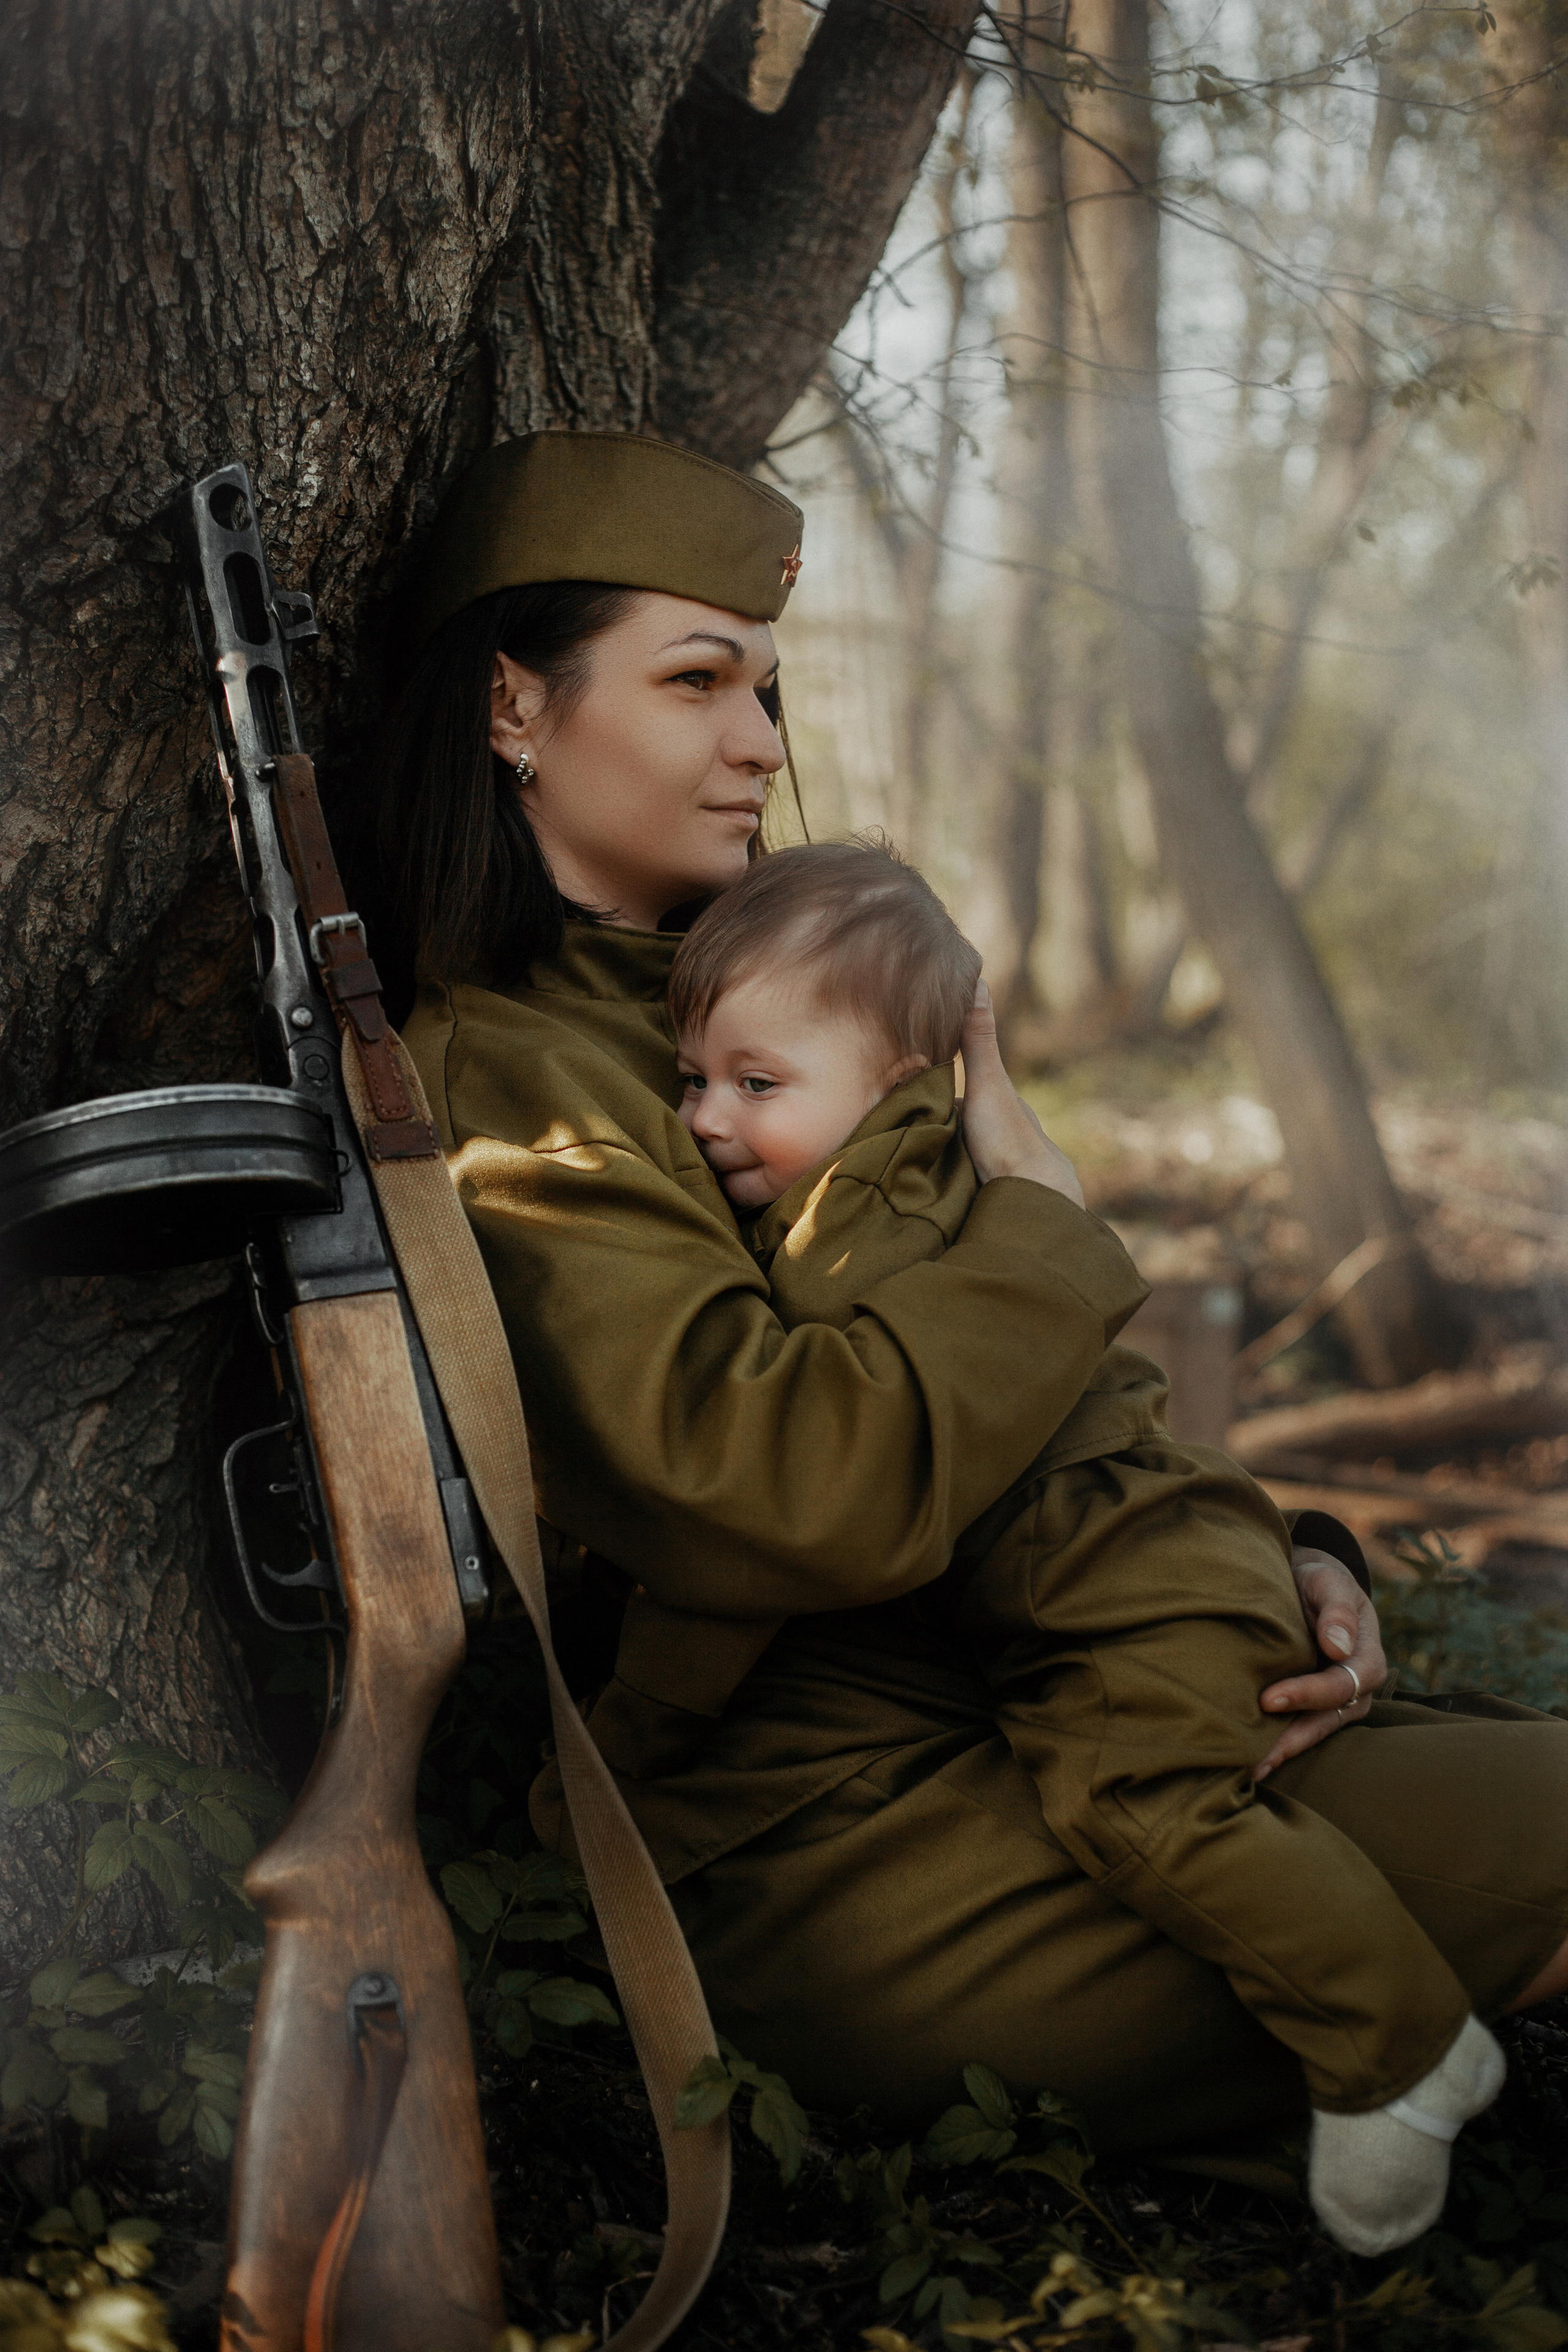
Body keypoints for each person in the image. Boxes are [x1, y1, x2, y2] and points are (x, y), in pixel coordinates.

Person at [385, 428, 1568, 2255]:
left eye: (765, 689)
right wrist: (1046, 1223)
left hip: (1048, 1710)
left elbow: (1037, 1398)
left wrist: (1291, 1552)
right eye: (698, 680)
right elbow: (779, 1488)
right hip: (839, 1842)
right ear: (515, 710)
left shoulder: (759, 985)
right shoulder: (518, 1080)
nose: (762, 743)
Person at [663, 834, 1507, 2252]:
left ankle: (1401, 2050)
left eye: (757, 1085)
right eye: (692, 1080)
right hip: (1134, 1565)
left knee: (1142, 1804)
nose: (703, 1120)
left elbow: (823, 1443)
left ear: (902, 1087)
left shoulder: (861, 1224)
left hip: (1123, 1590)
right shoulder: (888, 1190)